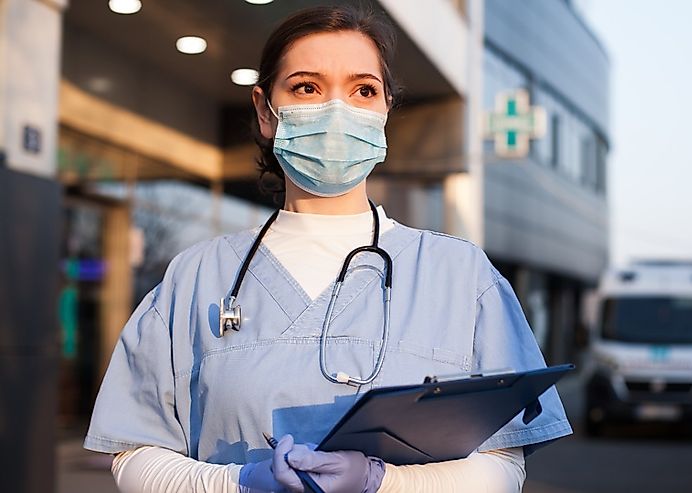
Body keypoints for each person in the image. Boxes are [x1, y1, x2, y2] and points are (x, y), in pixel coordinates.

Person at [84, 5, 571, 492]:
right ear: (264, 111)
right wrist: (241, 484)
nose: (338, 112)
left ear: (384, 112)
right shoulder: (195, 278)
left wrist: (379, 482)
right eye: (306, 88)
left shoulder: (462, 277)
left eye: (363, 90)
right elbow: (135, 455)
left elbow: (503, 467)